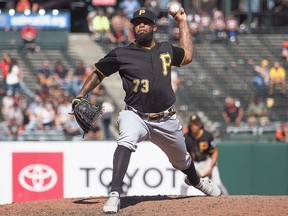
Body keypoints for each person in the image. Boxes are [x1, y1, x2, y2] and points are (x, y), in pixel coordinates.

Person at [72, 7, 221, 214]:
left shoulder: (166, 48)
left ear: (153, 26)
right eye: (137, 22)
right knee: (126, 140)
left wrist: (182, 23)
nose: (140, 25)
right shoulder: (121, 53)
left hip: (165, 117)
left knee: (182, 160)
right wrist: (81, 94)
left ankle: (196, 181)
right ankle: (115, 194)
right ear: (133, 28)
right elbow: (98, 73)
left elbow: (187, 56)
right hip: (135, 114)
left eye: (145, 22)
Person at [181, 114, 229, 195]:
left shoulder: (207, 135)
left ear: (200, 125)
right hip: (195, 163)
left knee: (218, 184)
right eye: (192, 124)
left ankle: (229, 199)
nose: (193, 126)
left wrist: (211, 167)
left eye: (195, 124)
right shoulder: (186, 137)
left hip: (208, 161)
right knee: (184, 185)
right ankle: (181, 203)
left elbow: (215, 151)